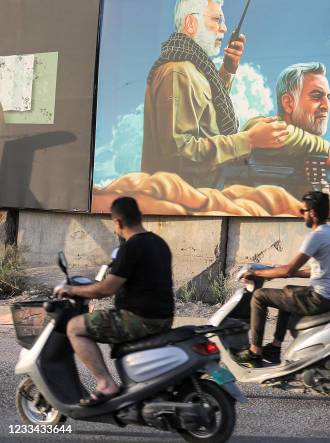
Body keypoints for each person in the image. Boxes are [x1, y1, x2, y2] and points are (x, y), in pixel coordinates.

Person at [141, 0, 289, 188]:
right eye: (217, 20)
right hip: (190, 197)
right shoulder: (178, 73)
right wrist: (249, 140)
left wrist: (228, 69)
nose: (224, 28)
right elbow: (180, 154)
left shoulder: (194, 68)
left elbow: (208, 112)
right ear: (191, 24)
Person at [54, 197, 174, 406]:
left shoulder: (131, 247)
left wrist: (72, 289)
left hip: (139, 319)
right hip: (163, 317)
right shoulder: (159, 243)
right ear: (140, 217)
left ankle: (105, 384)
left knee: (74, 327)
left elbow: (106, 289)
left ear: (117, 223)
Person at [238, 191, 330, 367]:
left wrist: (257, 274)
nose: (301, 214)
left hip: (320, 298)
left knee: (259, 296)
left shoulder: (316, 236)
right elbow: (312, 271)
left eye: (302, 210)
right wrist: (273, 271)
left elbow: (289, 270)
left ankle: (255, 351)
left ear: (312, 212)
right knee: (289, 291)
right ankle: (275, 347)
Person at [242, 63, 330, 216]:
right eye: (317, 96)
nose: (327, 106)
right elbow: (279, 132)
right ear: (288, 103)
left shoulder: (312, 152)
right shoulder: (261, 127)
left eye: (328, 98)